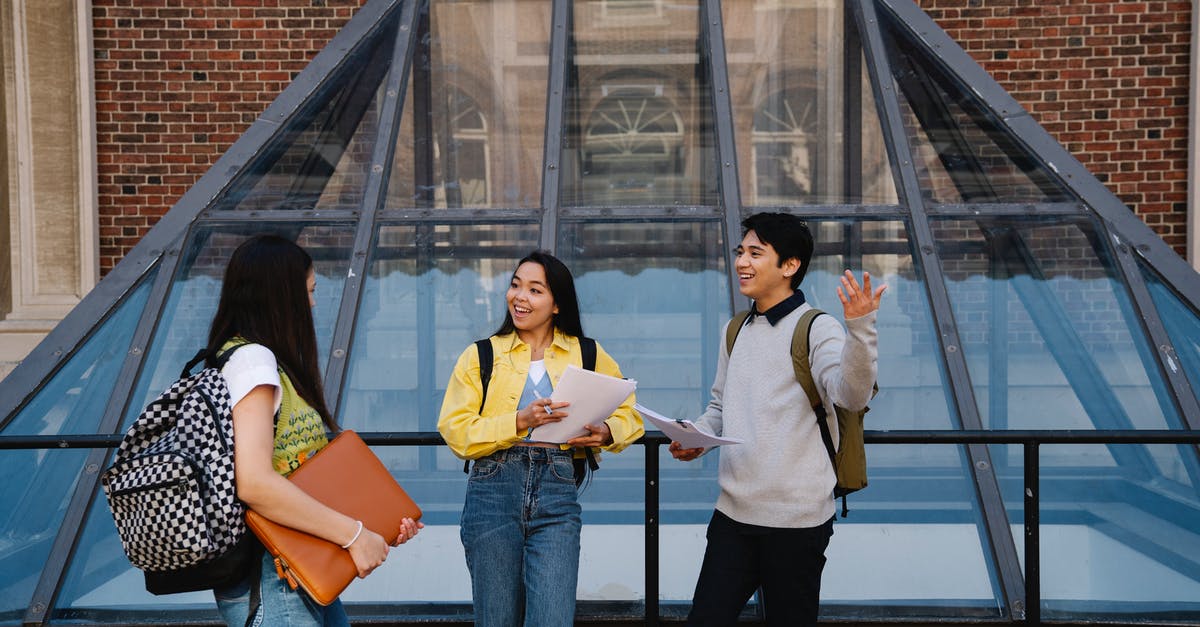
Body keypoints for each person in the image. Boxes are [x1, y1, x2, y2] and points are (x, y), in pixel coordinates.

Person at [670, 212, 885, 626]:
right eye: (740, 252)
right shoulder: (737, 329)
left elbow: (850, 395)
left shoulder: (817, 328)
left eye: (756, 253)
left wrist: (861, 330)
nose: (741, 263)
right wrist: (697, 435)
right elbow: (720, 407)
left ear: (790, 266)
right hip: (732, 517)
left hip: (798, 523)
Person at [207, 234, 422, 626]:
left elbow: (303, 477)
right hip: (275, 578)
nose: (312, 303)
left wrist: (379, 523)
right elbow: (255, 483)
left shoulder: (263, 362)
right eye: (308, 291)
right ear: (280, 297)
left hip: (298, 574)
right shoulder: (253, 362)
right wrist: (356, 535)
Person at [438, 250, 644, 627]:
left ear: (557, 305)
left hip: (557, 493)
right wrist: (518, 420)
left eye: (535, 290)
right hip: (492, 493)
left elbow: (629, 410)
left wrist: (607, 431)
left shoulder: (586, 353)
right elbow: (455, 430)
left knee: (552, 616)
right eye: (515, 285)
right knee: (496, 618)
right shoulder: (481, 355)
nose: (520, 297)